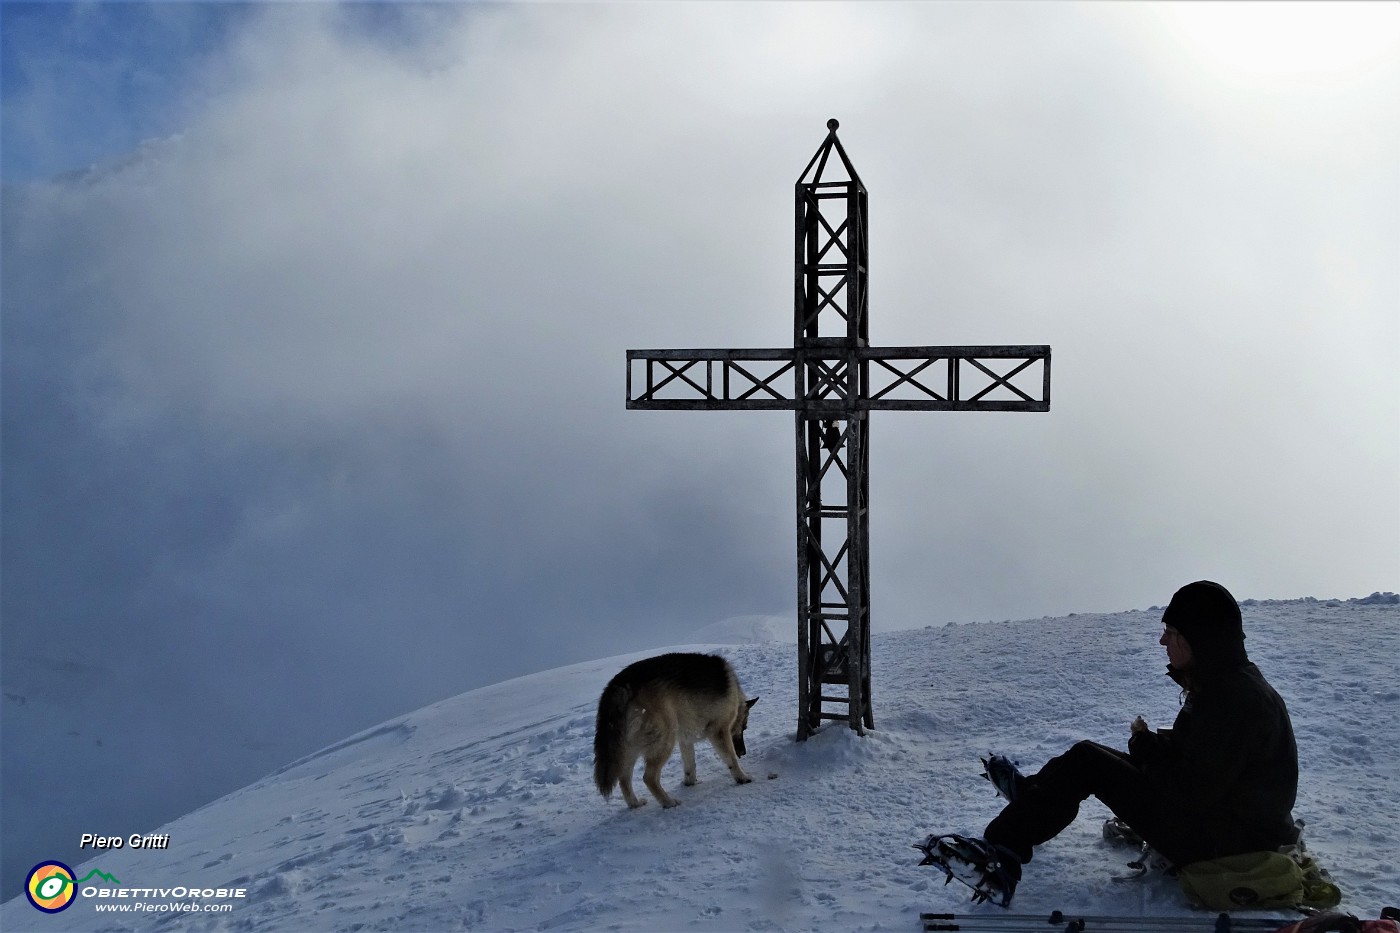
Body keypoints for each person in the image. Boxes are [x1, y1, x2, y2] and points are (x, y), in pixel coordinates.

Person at [928, 580, 1299, 907]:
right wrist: (1148, 746)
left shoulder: (1230, 699)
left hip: (1224, 843)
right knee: (1089, 756)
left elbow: (1188, 790)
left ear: (1198, 638)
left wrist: (1143, 750)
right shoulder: (1227, 684)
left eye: (1171, 631)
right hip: (1228, 827)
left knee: (1090, 762)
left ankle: (1000, 861)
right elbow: (1201, 760)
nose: (1162, 641)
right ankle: (1032, 798)